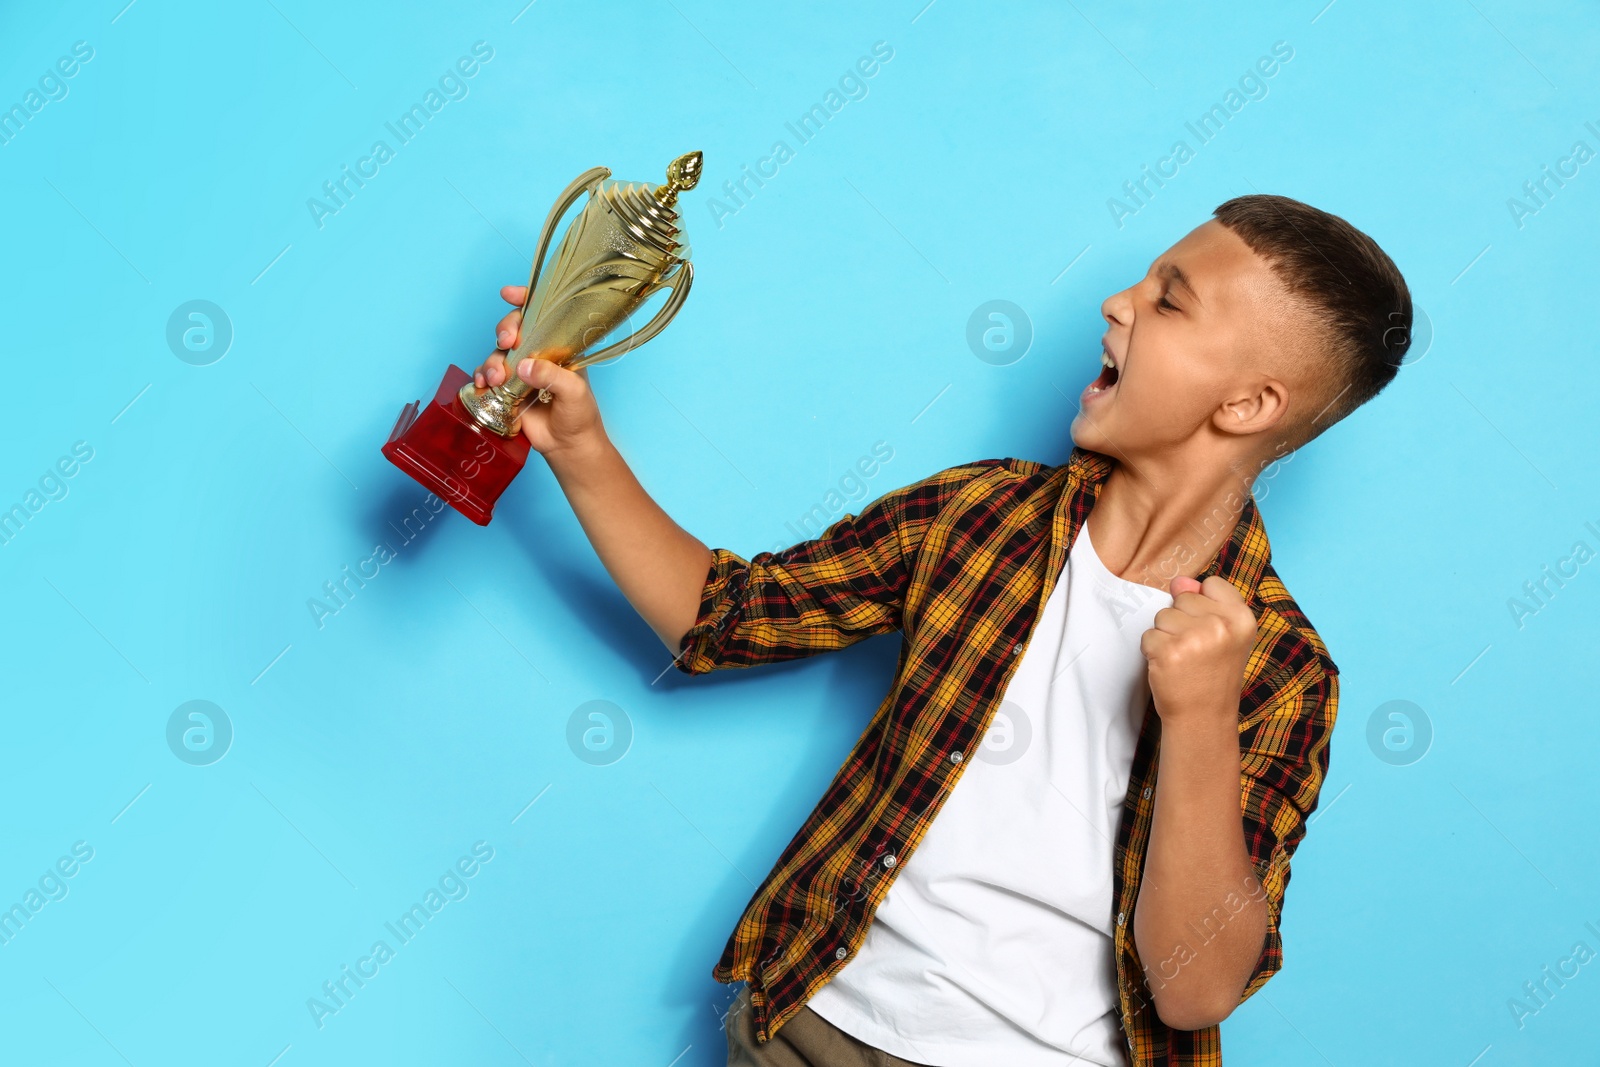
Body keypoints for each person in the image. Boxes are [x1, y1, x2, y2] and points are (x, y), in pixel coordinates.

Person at [471, 193, 1411, 1066]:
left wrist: (1201, 716)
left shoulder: (1284, 669)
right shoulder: (980, 516)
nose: (1114, 302)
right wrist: (581, 448)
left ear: (1245, 405)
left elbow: (1195, 987)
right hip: (811, 1030)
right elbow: (725, 618)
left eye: (1168, 303)